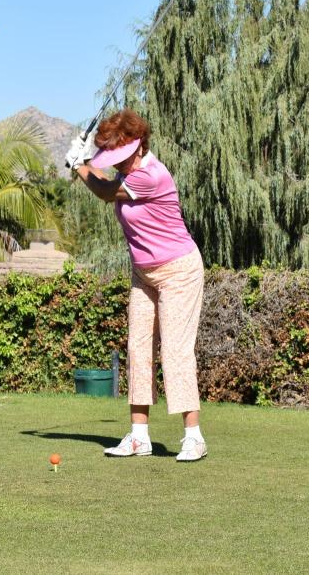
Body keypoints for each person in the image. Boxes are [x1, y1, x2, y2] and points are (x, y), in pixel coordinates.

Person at [65, 109, 207, 462]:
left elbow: (105, 191)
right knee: (137, 349)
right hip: (143, 274)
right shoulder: (127, 172)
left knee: (175, 351)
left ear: (140, 146)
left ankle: (194, 437)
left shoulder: (152, 176)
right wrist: (84, 161)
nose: (118, 164)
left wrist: (80, 166)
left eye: (121, 157)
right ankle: (139, 436)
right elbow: (108, 182)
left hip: (179, 272)